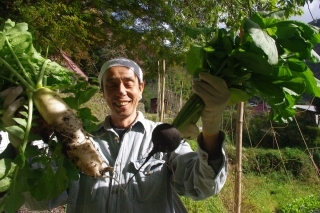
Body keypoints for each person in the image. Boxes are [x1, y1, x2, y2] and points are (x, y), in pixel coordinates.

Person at [1, 57, 230, 213]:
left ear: (141, 88)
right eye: (111, 85)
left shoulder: (166, 135)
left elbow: (201, 187)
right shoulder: (74, 141)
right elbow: (39, 200)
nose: (121, 91)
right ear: (103, 92)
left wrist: (211, 125)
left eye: (128, 83)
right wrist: (20, 142)